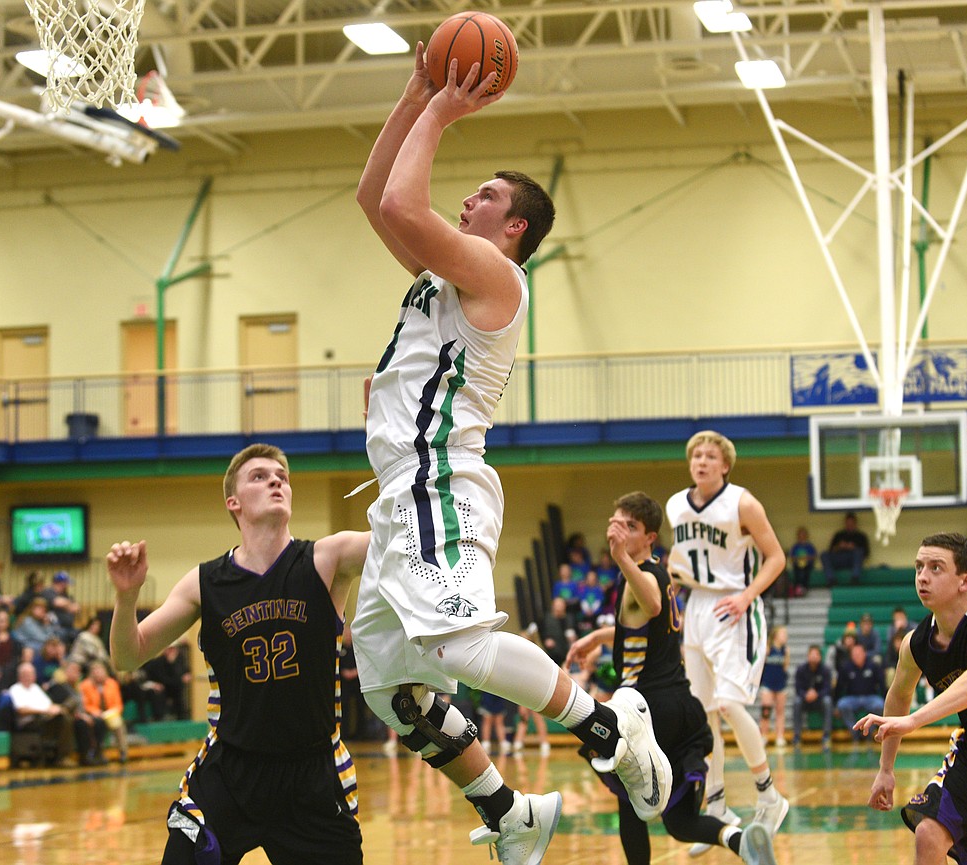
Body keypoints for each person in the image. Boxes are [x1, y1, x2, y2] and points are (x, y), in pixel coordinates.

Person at [353, 44, 673, 864]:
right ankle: (510, 808)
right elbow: (374, 197)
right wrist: (413, 90)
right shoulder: (441, 278)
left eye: (487, 195)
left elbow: (401, 196)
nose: (468, 197)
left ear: (514, 227)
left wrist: (442, 109)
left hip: (440, 479)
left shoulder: (497, 278)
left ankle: (611, 723)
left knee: (457, 648)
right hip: (397, 492)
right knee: (393, 691)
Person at [107, 443, 369, 865]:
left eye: (281, 476)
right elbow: (128, 655)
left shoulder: (327, 558)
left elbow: (400, 539)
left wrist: (388, 442)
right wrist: (127, 596)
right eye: (260, 476)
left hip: (312, 773)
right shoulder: (204, 582)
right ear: (234, 502)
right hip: (231, 771)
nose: (276, 481)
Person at [565, 492, 777, 865]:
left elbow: (652, 605)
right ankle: (741, 840)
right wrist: (597, 638)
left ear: (650, 537)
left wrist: (619, 557)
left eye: (632, 527)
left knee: (630, 801)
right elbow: (648, 627)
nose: (622, 531)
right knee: (680, 821)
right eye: (619, 522)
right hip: (682, 708)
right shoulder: (660, 573)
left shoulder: (641, 575)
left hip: (647, 710)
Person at [665, 430, 790, 852]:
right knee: (703, 717)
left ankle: (768, 794)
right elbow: (679, 562)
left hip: (735, 607)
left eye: (709, 456)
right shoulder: (675, 506)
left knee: (731, 703)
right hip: (695, 607)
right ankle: (716, 804)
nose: (700, 461)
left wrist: (747, 596)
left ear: (725, 465)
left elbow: (776, 557)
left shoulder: (743, 502)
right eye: (695, 455)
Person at [856, 532, 967, 865]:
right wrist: (886, 769)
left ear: (965, 581)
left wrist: (915, 720)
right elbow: (898, 697)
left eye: (936, 567)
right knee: (929, 832)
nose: (922, 576)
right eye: (919, 566)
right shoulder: (915, 644)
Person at [9, 661, 76, 766]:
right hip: (29, 721)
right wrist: (44, 711)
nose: (29, 677)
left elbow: (49, 704)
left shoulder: (36, 688)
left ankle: (61, 756)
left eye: (31, 674)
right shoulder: (15, 689)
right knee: (63, 719)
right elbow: (21, 710)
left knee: (66, 715)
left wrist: (57, 708)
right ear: (20, 676)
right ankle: (61, 758)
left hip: (45, 718)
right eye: (26, 674)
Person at [835, 643, 885, 743]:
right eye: (854, 654)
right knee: (842, 704)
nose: (857, 656)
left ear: (864, 654)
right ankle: (855, 732)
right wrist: (835, 705)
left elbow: (882, 684)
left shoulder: (873, 666)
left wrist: (885, 698)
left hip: (870, 697)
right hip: (852, 698)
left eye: (859, 653)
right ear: (851, 655)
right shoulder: (846, 668)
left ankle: (868, 732)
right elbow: (839, 687)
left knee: (880, 704)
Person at [81, 660, 128, 762]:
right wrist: (95, 712)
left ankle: (123, 752)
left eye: (100, 671)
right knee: (97, 724)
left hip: (110, 714)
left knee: (118, 723)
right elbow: (85, 704)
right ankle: (98, 752)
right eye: (95, 671)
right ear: (91, 673)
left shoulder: (112, 683)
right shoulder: (85, 685)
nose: (98, 673)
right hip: (94, 715)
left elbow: (118, 703)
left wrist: (112, 712)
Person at [792, 645, 833, 748]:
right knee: (797, 702)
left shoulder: (825, 670)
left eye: (816, 654)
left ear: (820, 657)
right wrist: (805, 695)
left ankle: (827, 736)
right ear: (808, 656)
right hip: (805, 700)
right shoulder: (801, 669)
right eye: (812, 654)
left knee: (828, 701)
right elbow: (798, 688)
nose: (814, 657)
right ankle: (797, 736)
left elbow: (828, 689)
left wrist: (817, 694)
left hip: (819, 700)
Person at [759, 626, 790, 747]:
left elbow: (785, 667)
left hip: (780, 683)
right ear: (776, 635)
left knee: (780, 711)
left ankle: (780, 736)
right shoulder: (768, 648)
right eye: (783, 634)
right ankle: (764, 736)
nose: (785, 637)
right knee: (766, 711)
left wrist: (787, 656)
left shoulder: (785, 650)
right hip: (767, 682)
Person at [821, 512, 870, 587]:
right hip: (839, 558)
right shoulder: (839, 534)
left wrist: (853, 548)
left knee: (859, 552)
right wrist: (839, 547)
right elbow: (830, 550)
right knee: (824, 554)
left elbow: (866, 553)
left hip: (853, 560)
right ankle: (831, 579)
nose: (849, 525)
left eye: (851, 523)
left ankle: (855, 578)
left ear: (855, 523)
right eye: (848, 523)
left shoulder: (861, 536)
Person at [787, 527, 817, 597]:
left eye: (803, 535)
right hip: (798, 565)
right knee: (798, 572)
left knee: (806, 572)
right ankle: (798, 589)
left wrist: (806, 558)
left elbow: (814, 556)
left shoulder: (809, 546)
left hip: (807, 564)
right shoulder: (795, 546)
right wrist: (798, 559)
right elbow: (792, 557)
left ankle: (805, 588)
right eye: (800, 535)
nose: (802, 537)